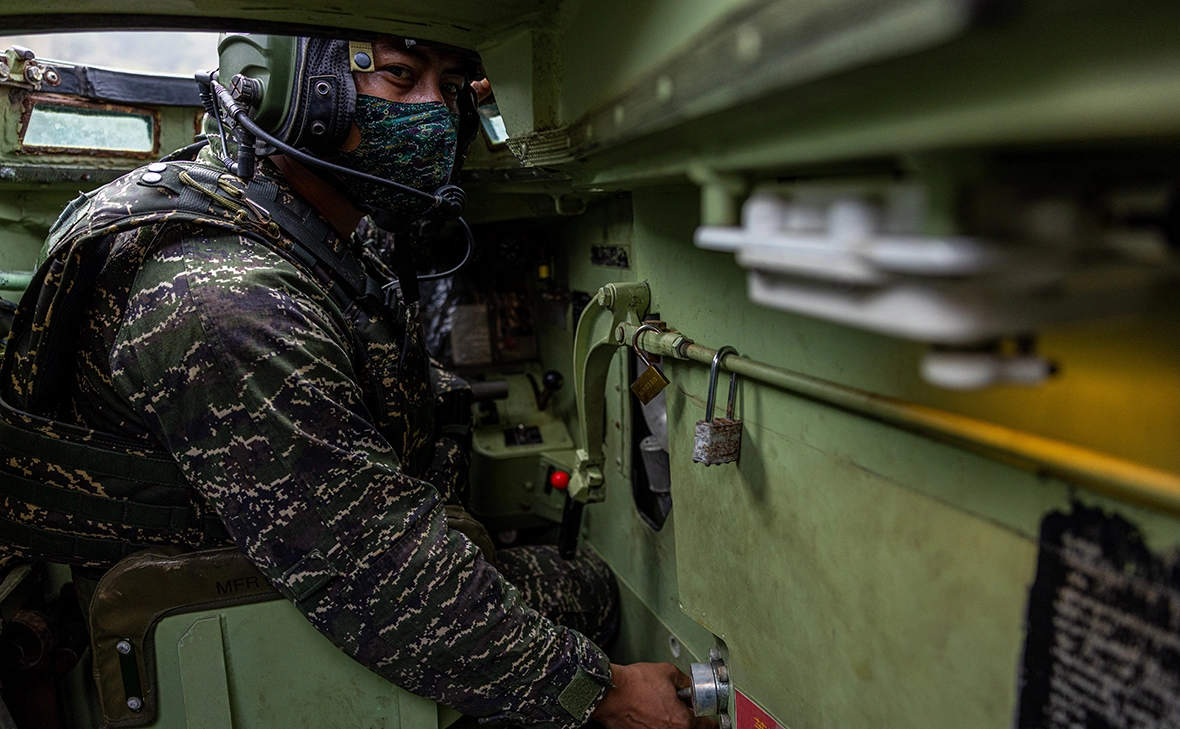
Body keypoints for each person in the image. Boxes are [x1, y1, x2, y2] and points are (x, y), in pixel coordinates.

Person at [3, 33, 714, 729]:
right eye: (402, 76)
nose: (437, 113)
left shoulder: (282, 203)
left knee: (582, 590)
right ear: (292, 93)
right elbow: (380, 572)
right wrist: (601, 692)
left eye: (453, 86)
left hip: (294, 558)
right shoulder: (228, 303)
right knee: (591, 596)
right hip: (225, 600)